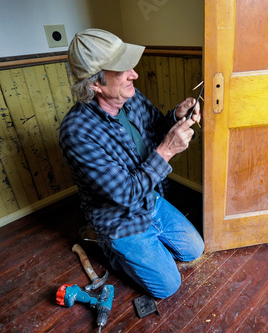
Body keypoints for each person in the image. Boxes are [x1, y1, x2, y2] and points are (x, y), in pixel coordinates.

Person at [59, 28, 204, 299]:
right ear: (95, 84)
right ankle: (107, 246)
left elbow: (157, 128)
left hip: (151, 199)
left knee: (194, 250)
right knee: (167, 287)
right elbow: (125, 193)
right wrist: (167, 151)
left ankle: (145, 242)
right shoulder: (77, 132)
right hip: (118, 216)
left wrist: (176, 116)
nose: (134, 74)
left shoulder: (130, 97)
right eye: (123, 70)